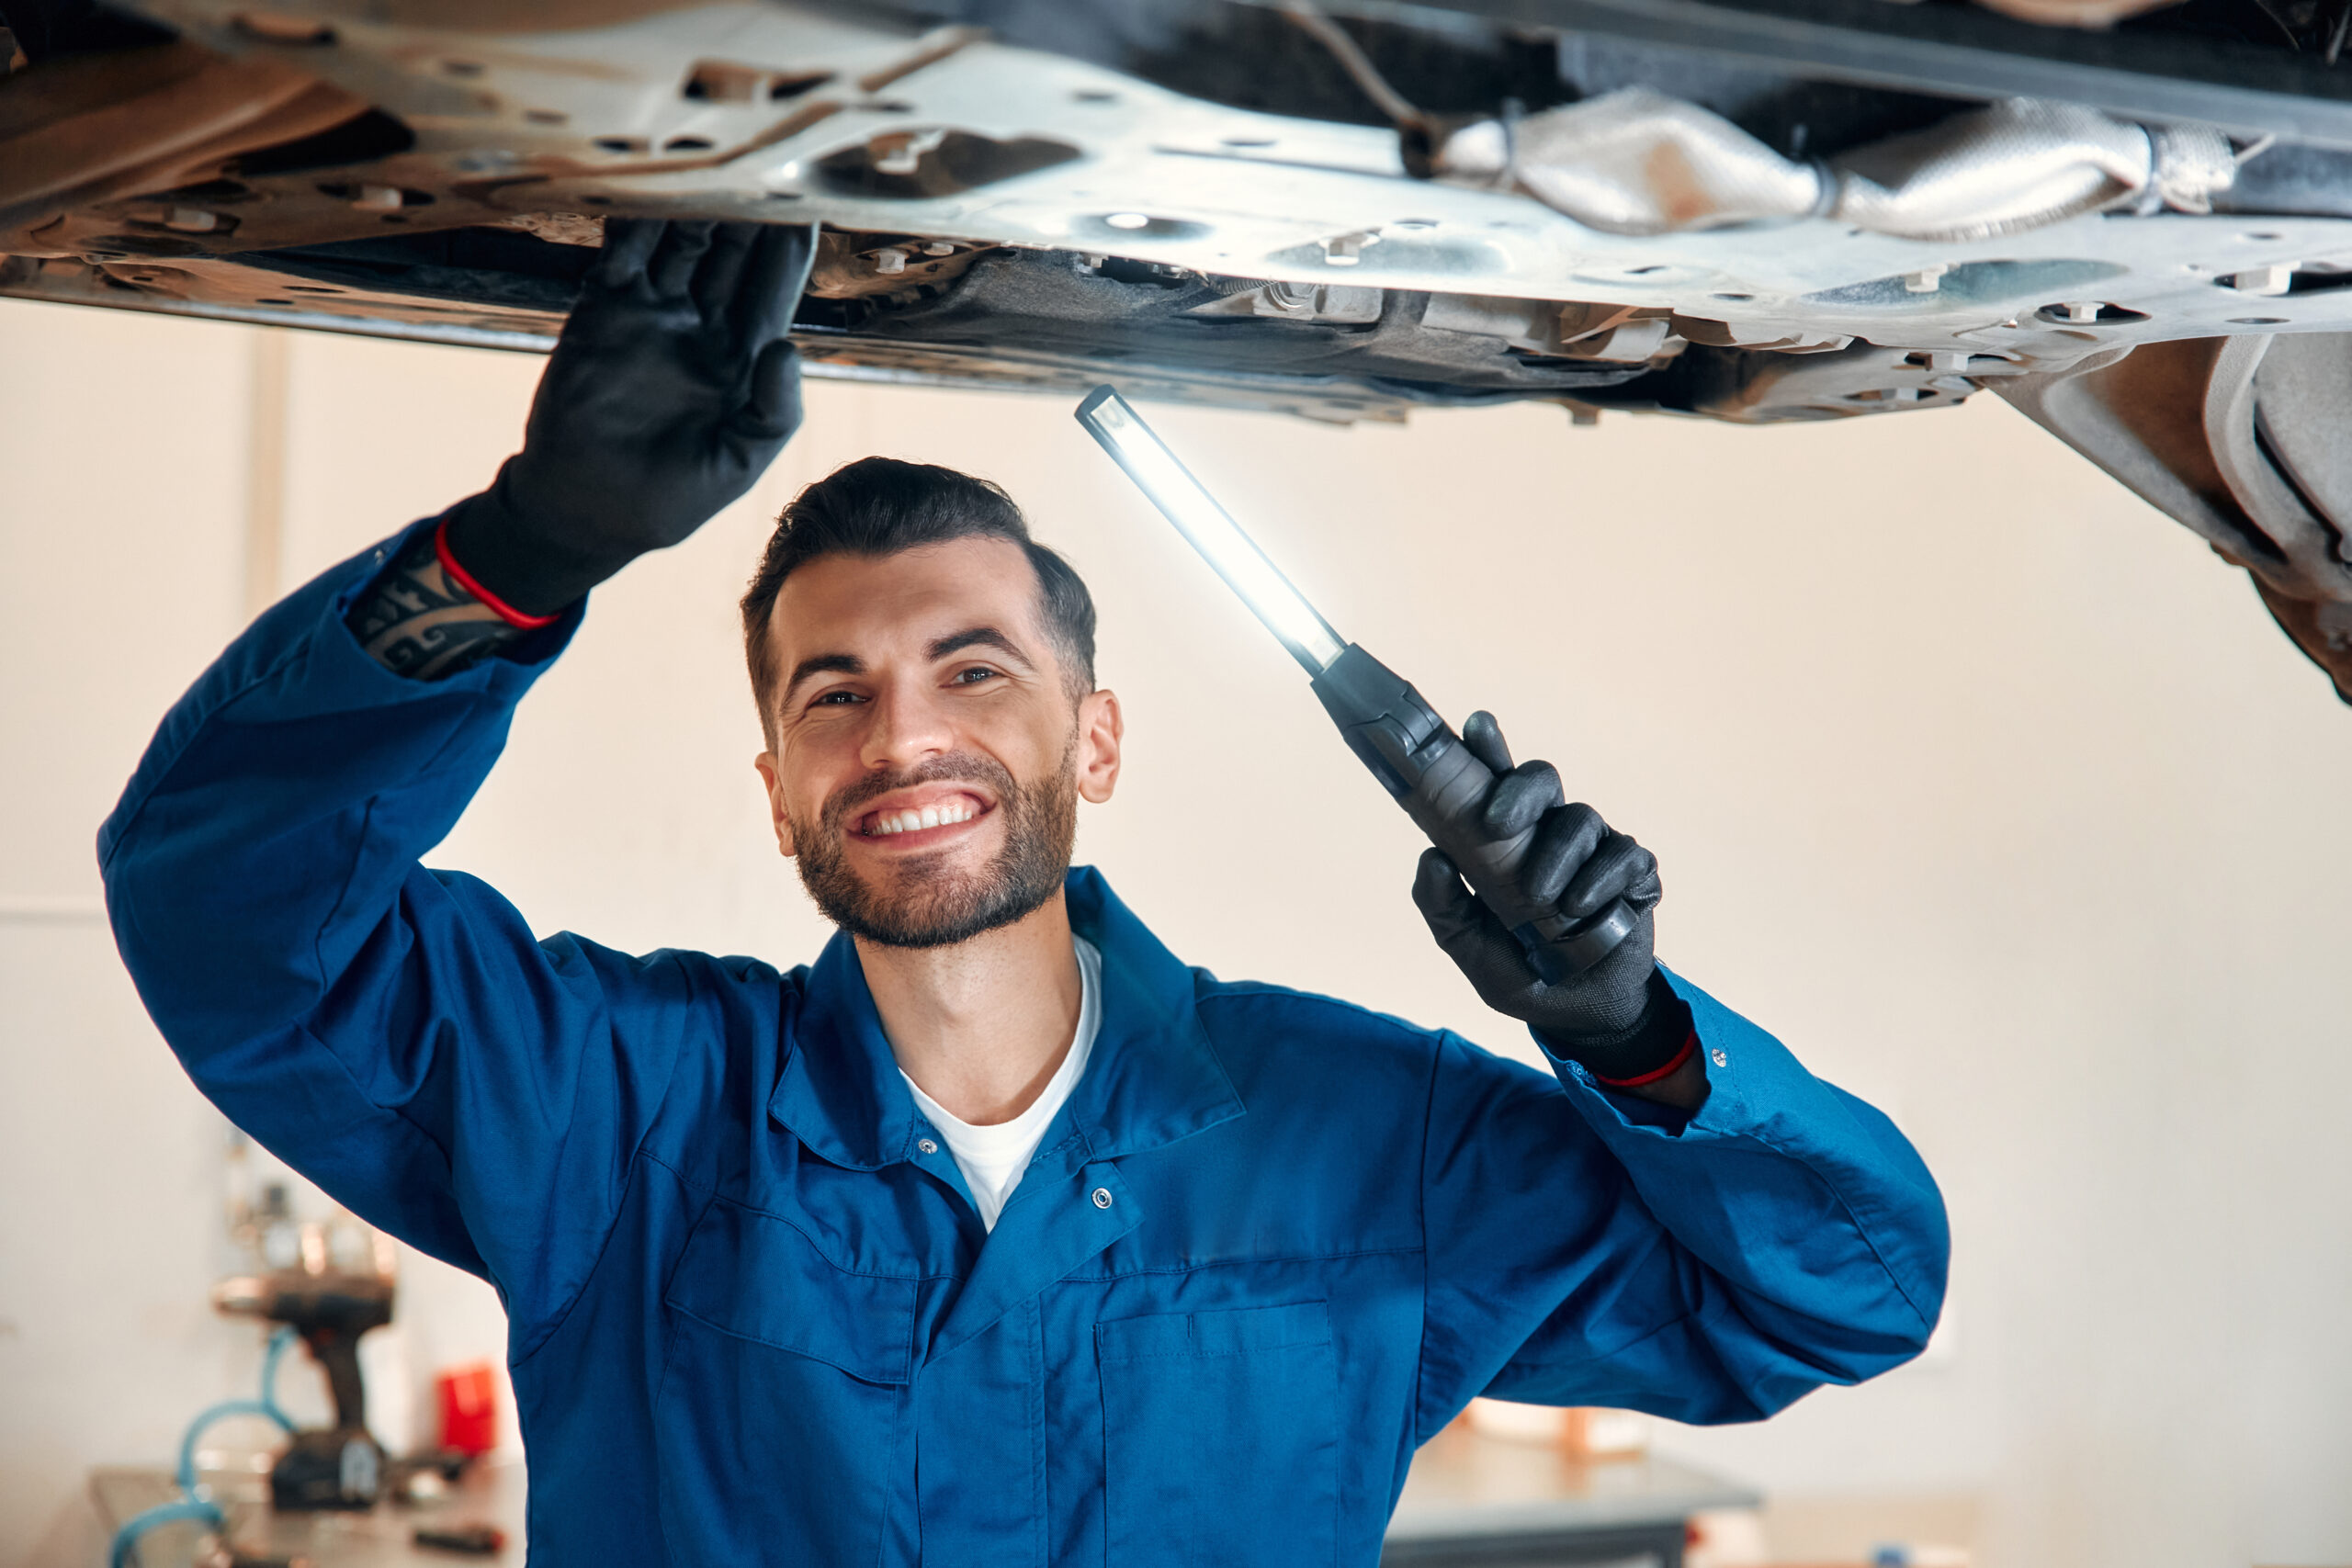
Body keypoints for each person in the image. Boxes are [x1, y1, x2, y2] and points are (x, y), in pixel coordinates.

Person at [101, 220, 1948, 1565]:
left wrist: (1625, 1033)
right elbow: (226, 911)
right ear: (776, 792)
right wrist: (525, 550)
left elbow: (1833, 1299)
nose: (902, 730)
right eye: (833, 691)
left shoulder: (1362, 1139)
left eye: (973, 666)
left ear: (1098, 736)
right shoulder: (615, 1107)